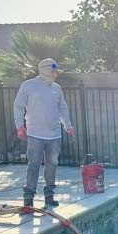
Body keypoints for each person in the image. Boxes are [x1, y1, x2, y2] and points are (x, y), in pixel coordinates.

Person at [13, 58, 75, 208]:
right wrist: (20, 126)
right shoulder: (28, 86)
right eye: (53, 70)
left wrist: (68, 125)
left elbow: (62, 109)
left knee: (52, 165)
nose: (55, 73)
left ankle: (49, 197)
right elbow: (18, 106)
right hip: (35, 134)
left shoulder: (56, 88)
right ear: (45, 69)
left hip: (54, 135)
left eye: (56, 70)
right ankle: (28, 200)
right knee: (33, 165)